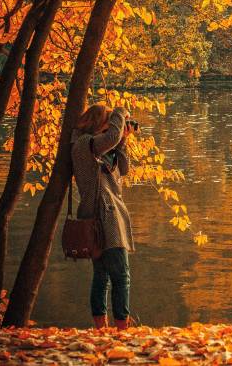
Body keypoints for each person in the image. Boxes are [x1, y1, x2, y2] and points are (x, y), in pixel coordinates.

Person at [72, 104, 136, 330]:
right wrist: (120, 111)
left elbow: (125, 169)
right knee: (121, 276)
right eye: (109, 121)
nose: (113, 127)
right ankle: (121, 329)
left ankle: (104, 329)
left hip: (110, 214)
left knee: (103, 276)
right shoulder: (84, 144)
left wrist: (123, 141)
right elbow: (109, 138)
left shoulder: (102, 148)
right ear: (98, 122)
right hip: (101, 216)